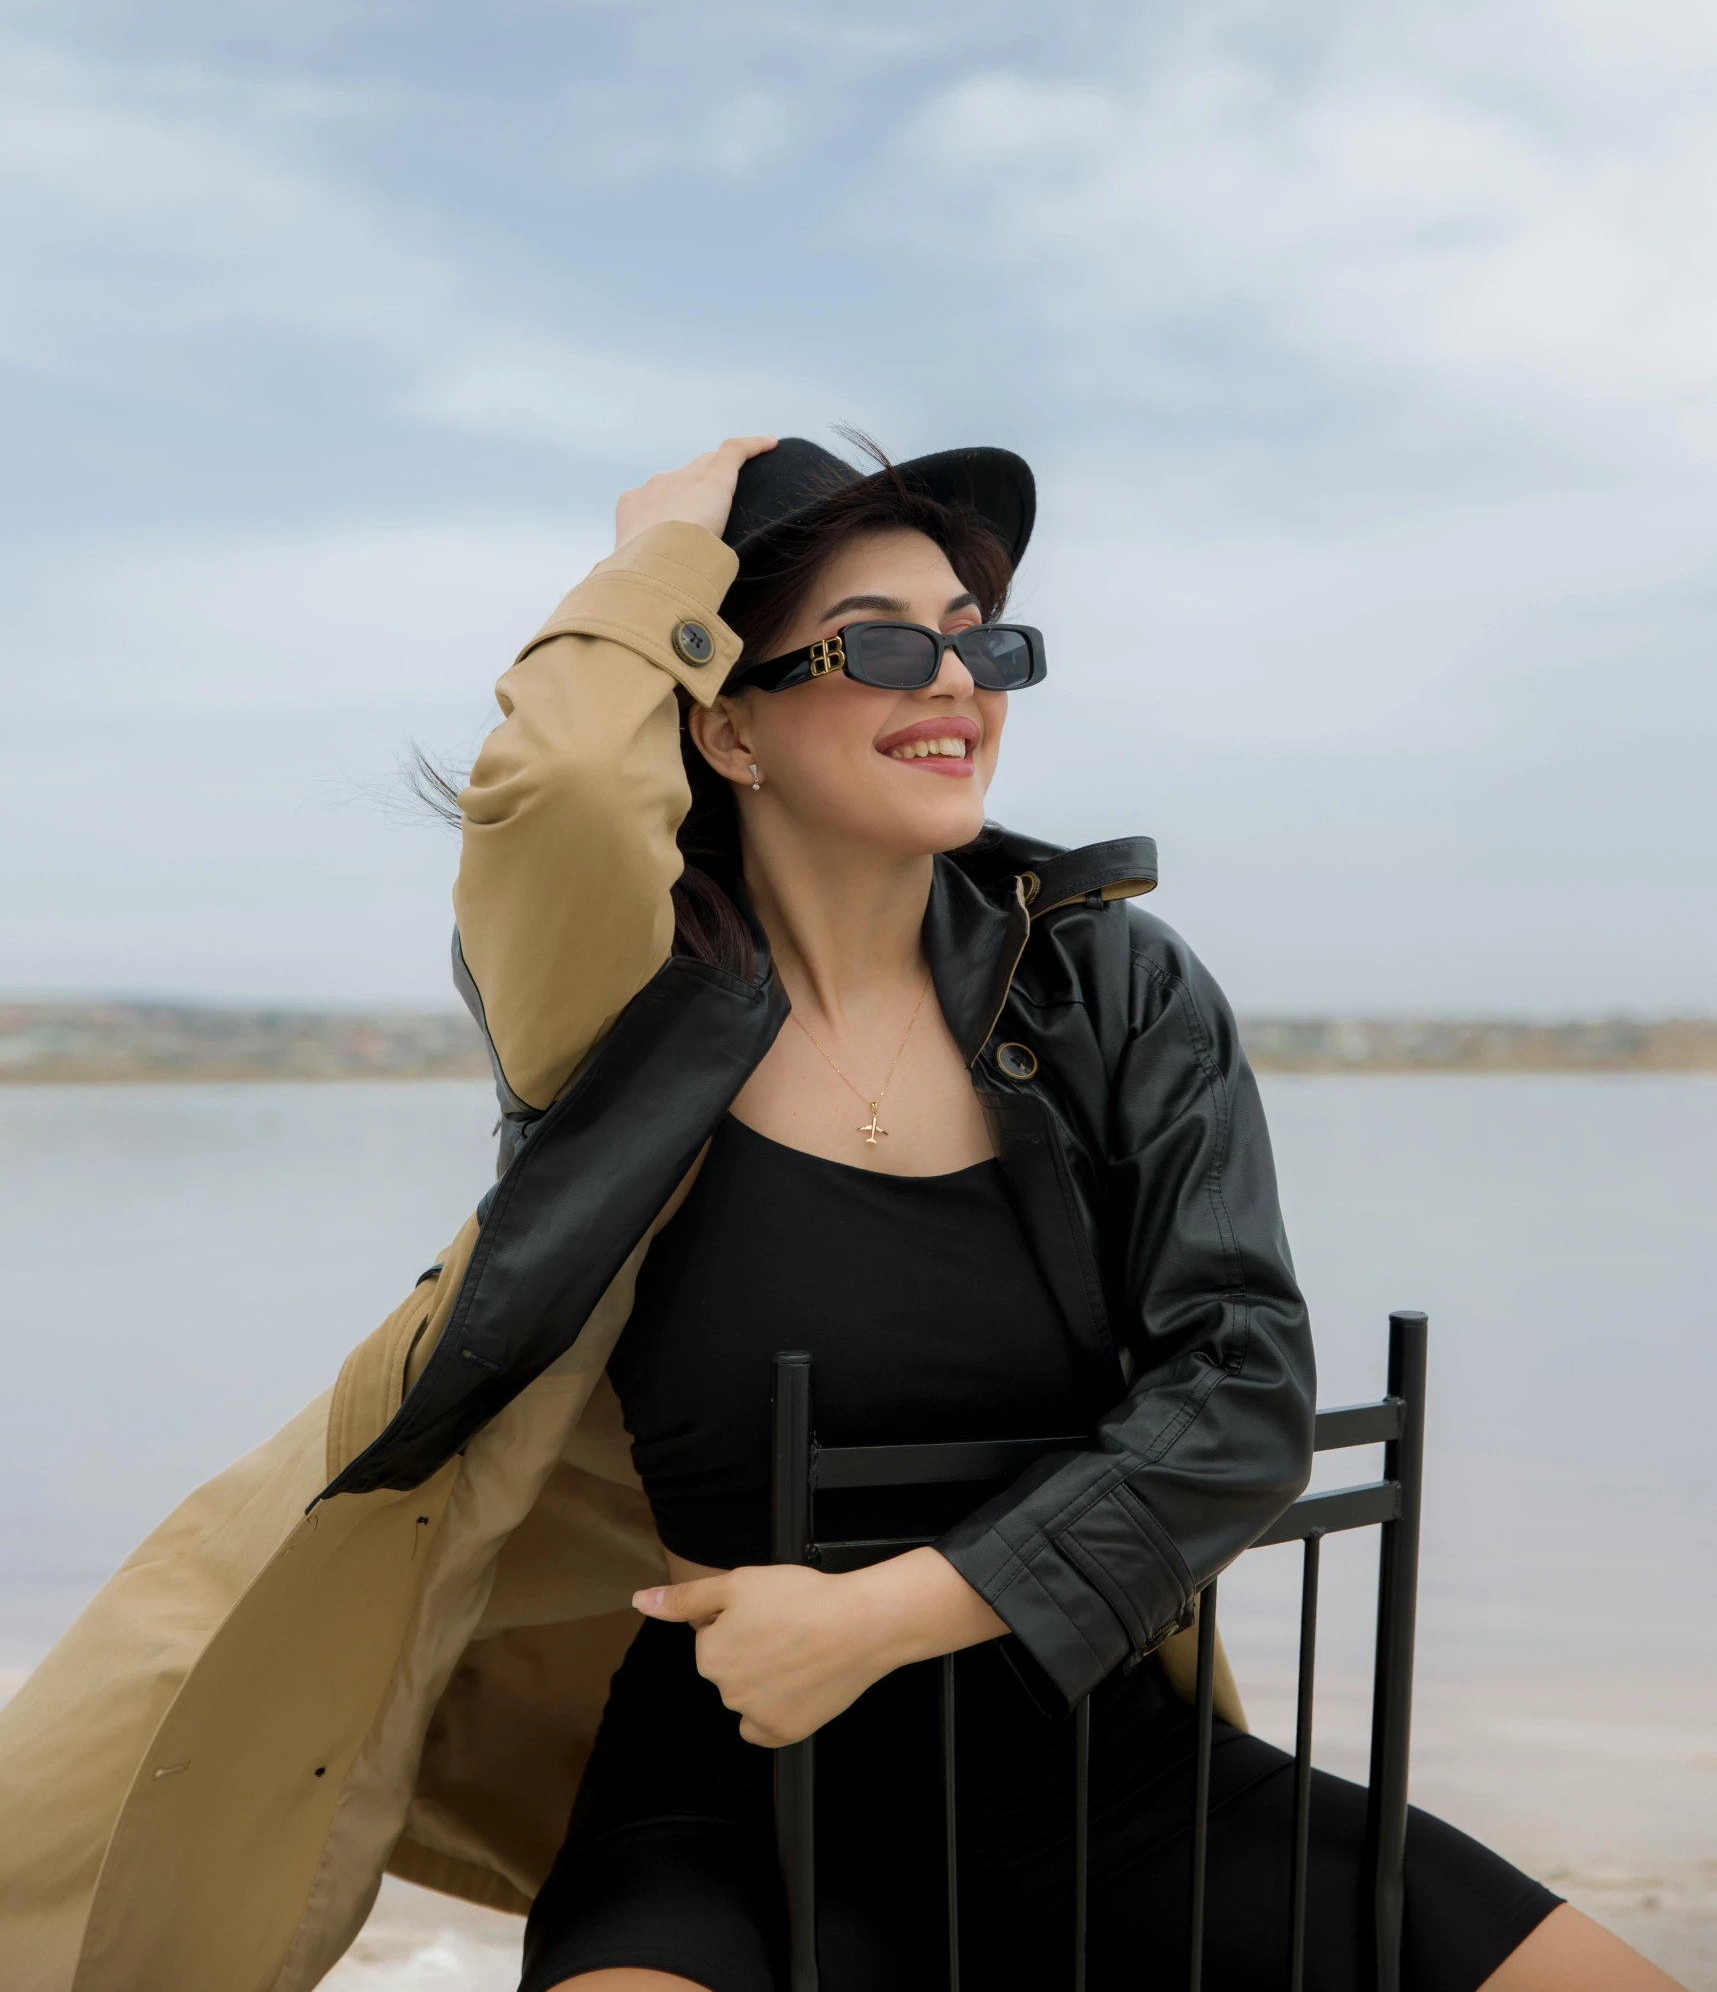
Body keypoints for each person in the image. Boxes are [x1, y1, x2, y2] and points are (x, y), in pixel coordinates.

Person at [0, 436, 1678, 1992]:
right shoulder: (618, 1022)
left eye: (978, 641)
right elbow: (577, 780)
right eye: (879, 644)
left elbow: (1239, 1395)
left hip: (1117, 1787)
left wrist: (877, 1615)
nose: (956, 679)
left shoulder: (1111, 988)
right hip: (733, 1819)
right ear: (726, 723)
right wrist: (661, 547)